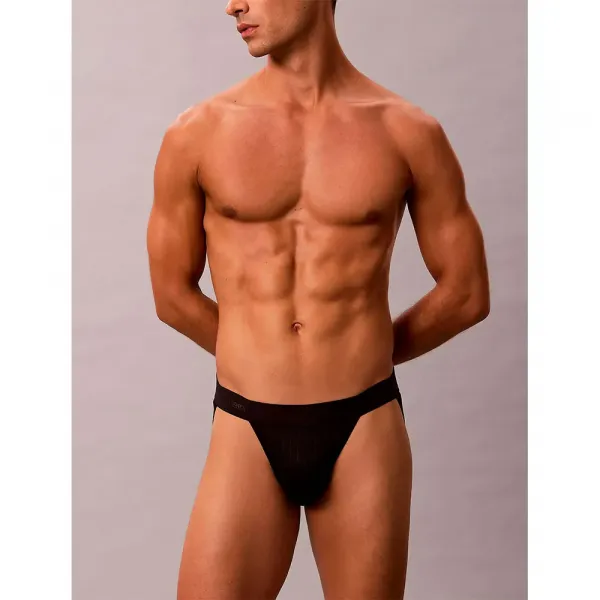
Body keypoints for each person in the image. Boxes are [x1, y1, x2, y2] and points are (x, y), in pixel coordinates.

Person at [146, 0, 490, 598]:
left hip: (363, 426)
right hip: (246, 424)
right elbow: (172, 294)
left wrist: (357, 351)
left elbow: (466, 292)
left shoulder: (407, 131)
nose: (232, 5)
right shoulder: (198, 133)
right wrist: (257, 354)